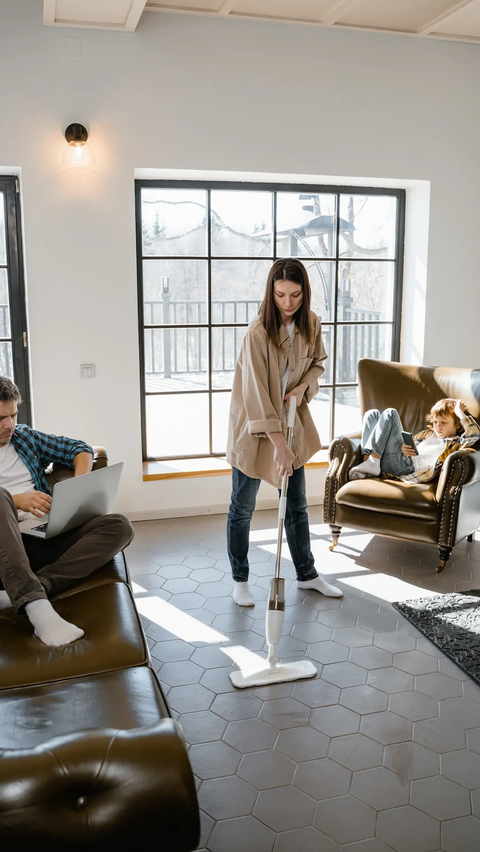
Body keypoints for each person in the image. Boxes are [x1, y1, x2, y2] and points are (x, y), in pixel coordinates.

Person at [226, 258, 343, 607]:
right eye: (280, 294)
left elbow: (318, 364)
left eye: (295, 294)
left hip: (293, 426)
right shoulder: (257, 332)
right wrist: (278, 444)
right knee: (242, 507)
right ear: (270, 291)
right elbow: (256, 394)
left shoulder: (311, 324)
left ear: (304, 292)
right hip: (254, 429)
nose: (287, 302)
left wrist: (303, 387)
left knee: (296, 507)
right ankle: (240, 580)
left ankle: (307, 574)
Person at [0, 376, 134, 646]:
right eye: (1, 418)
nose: (9, 425)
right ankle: (38, 610)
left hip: (41, 537)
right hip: (4, 547)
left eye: (14, 415)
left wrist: (78, 483)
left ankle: (30, 590)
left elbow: (81, 448)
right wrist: (16, 500)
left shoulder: (24, 437)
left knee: (119, 525)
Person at [349, 398, 480, 483]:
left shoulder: (456, 443)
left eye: (444, 423)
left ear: (457, 425)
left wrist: (459, 412)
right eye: (435, 422)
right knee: (371, 414)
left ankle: (372, 462)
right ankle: (368, 462)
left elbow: (474, 434)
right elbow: (407, 446)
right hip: (394, 459)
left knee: (390, 413)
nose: (438, 426)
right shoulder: (426, 434)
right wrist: (404, 449)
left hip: (406, 468)